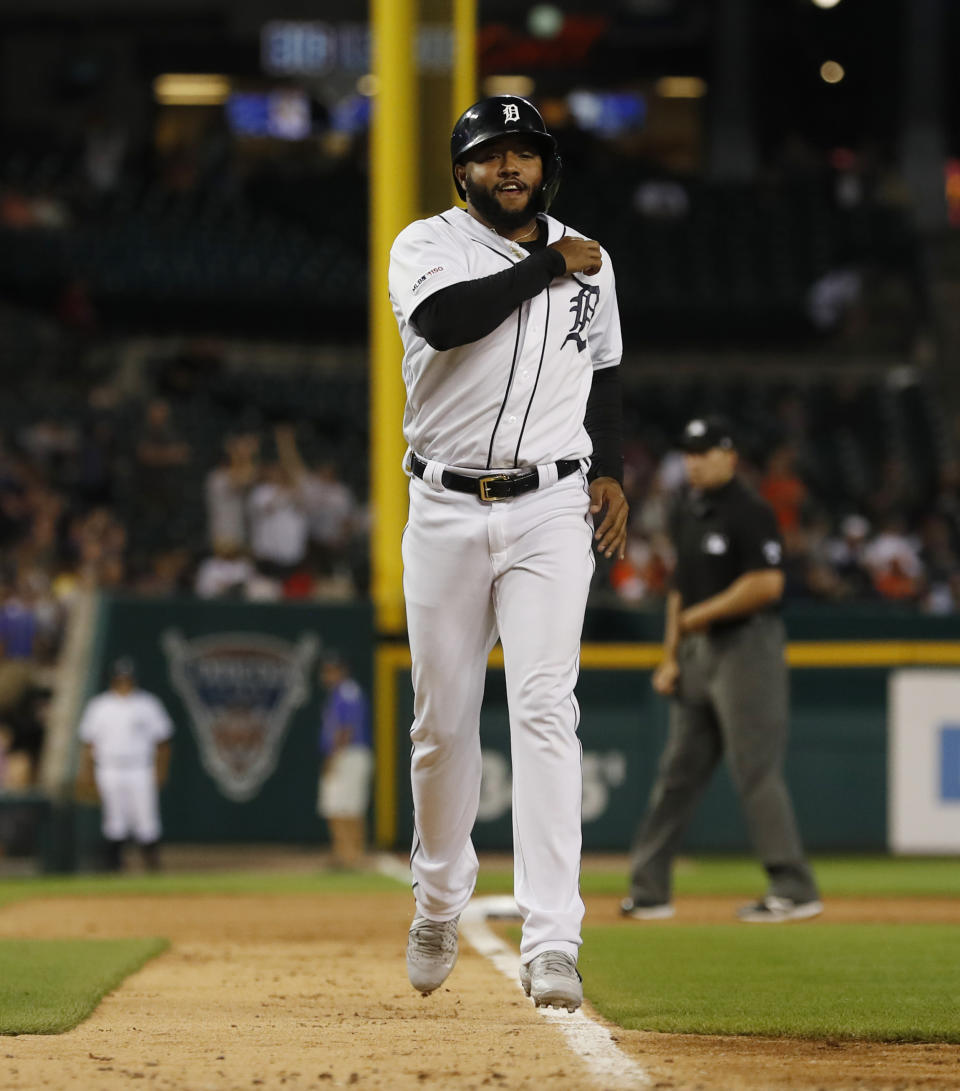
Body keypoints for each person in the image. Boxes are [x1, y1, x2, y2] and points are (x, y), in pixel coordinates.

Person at [388, 94, 628, 1011]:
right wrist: (545, 265)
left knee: (543, 706)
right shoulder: (426, 245)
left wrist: (608, 468)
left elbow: (602, 369)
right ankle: (440, 898)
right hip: (445, 508)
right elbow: (450, 322)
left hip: (551, 505)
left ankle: (553, 936)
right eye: (493, 155)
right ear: (464, 172)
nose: (512, 167)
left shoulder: (590, 261)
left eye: (525, 152)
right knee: (441, 723)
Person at [622, 416, 822, 924]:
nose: (694, 460)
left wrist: (697, 618)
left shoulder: (750, 509)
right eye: (688, 452)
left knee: (755, 767)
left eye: (705, 451)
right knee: (676, 773)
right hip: (697, 652)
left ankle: (793, 887)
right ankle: (649, 890)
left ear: (729, 456)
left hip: (747, 647)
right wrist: (670, 655)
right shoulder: (686, 508)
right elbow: (678, 589)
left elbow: (767, 584)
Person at [75, 657, 173, 872]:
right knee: (114, 818)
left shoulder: (148, 704)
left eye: (127, 678)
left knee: (146, 817)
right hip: (109, 767)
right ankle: (113, 866)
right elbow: (88, 743)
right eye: (120, 678)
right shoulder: (99, 705)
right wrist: (86, 773)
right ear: (112, 679)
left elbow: (163, 742)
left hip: (140, 766)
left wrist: (160, 771)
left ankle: (152, 865)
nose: (124, 682)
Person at [317, 653, 372, 870]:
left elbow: (346, 729)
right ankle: (343, 854)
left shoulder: (347, 691)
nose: (327, 675)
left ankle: (354, 856)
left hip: (349, 754)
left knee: (347, 807)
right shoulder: (340, 693)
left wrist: (333, 757)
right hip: (347, 754)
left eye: (332, 670)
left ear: (342, 671)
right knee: (337, 807)